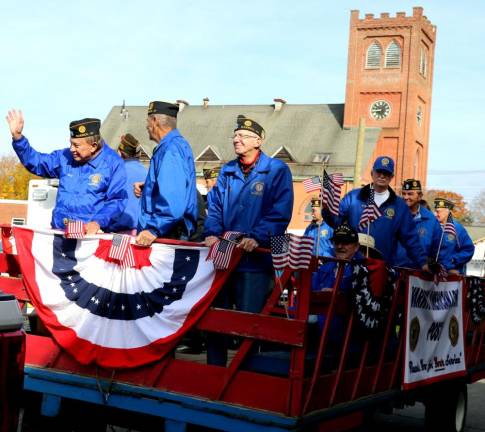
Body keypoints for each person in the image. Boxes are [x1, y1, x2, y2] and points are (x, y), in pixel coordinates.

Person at [204, 115, 294, 366]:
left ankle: (246, 376)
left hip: (255, 262)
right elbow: (215, 206)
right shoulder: (228, 170)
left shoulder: (276, 170)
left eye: (242, 136)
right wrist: (211, 232)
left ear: (258, 141)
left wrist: (257, 236)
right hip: (224, 257)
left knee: (250, 324)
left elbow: (281, 212)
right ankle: (213, 372)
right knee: (216, 319)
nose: (236, 139)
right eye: (235, 135)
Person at [6, 110, 127, 234]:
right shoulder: (64, 157)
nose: (71, 149)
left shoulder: (113, 163)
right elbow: (37, 162)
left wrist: (97, 222)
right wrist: (18, 138)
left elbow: (117, 200)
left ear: (93, 146)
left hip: (90, 238)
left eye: (76, 145)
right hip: (60, 234)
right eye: (71, 144)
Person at [324, 156, 428, 271]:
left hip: (383, 268)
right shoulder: (354, 197)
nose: (382, 176)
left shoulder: (399, 206)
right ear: (372, 173)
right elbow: (337, 222)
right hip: (352, 265)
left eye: (386, 173)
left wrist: (423, 263)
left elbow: (410, 238)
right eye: (379, 172)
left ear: (392, 177)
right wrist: (327, 210)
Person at [135, 101, 198, 246]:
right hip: (167, 231)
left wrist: (153, 229)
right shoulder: (172, 146)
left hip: (166, 234)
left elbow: (173, 201)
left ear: (154, 121)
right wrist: (148, 189)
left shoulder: (171, 149)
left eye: (147, 121)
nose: (146, 126)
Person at [395, 179, 449, 269]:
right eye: (403, 193)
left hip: (421, 273)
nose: (405, 197)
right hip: (395, 270)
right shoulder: (394, 215)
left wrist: (441, 267)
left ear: (420, 196)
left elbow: (439, 249)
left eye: (410, 194)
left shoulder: (431, 220)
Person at [110, 133, 148, 234]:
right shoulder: (148, 173)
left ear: (120, 152)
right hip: (142, 233)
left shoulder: (116, 173)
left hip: (118, 233)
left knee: (116, 250)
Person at [434, 198, 475, 274]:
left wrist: (453, 260)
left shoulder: (457, 229)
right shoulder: (432, 226)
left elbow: (468, 249)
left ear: (447, 212)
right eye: (435, 211)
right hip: (432, 274)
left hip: (452, 276)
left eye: (438, 212)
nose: (435, 214)